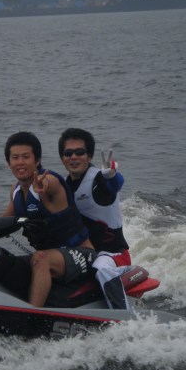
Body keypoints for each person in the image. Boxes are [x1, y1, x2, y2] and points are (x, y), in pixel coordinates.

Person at [0, 131, 96, 308]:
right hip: (50, 257)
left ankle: (33, 314)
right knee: (0, 261)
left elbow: (49, 185)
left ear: (37, 160)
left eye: (26, 157)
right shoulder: (16, 191)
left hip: (82, 255)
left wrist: (44, 186)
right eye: (15, 158)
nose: (20, 162)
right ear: (8, 163)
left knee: (40, 258)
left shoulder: (49, 181)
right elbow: (3, 223)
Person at [58, 128, 132, 310]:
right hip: (84, 254)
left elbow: (114, 184)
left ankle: (123, 316)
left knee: (101, 267)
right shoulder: (64, 187)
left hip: (113, 255)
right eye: (68, 153)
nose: (74, 157)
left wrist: (111, 176)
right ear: (62, 158)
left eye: (80, 152)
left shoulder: (100, 179)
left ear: (89, 156)